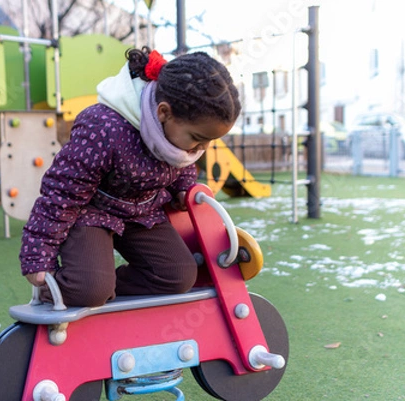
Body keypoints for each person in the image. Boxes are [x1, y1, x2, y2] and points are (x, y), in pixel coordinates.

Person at [19, 47, 241, 307]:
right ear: (163, 112)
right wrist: (38, 256)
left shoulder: (179, 137)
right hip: (91, 212)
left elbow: (182, 165)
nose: (200, 149)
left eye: (208, 142)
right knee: (89, 290)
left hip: (142, 213)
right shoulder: (103, 129)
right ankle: (70, 287)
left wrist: (183, 188)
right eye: (196, 139)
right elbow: (61, 194)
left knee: (179, 276)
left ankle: (101, 285)